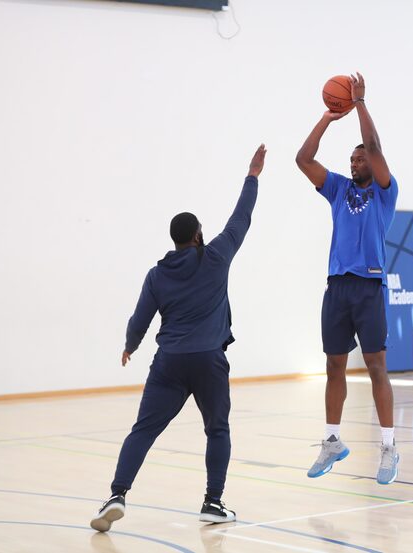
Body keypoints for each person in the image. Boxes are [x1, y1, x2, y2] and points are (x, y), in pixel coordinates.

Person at [90, 144, 267, 532]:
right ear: (198, 234)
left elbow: (140, 320)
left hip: (168, 361)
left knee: (143, 430)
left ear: (173, 240)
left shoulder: (157, 274)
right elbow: (241, 219)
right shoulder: (216, 256)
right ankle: (212, 502)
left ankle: (117, 494)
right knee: (217, 429)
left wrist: (130, 346)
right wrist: (252, 176)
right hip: (208, 360)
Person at [295, 73, 400, 485]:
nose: (355, 162)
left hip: (368, 287)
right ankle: (332, 440)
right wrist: (327, 118)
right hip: (337, 287)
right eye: (352, 159)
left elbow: (373, 146)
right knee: (333, 365)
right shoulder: (338, 188)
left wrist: (358, 104)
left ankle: (389, 447)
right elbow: (303, 159)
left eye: (361, 160)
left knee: (376, 367)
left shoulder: (385, 191)